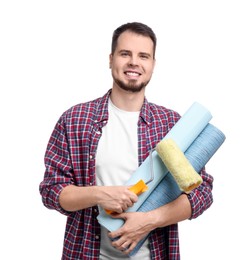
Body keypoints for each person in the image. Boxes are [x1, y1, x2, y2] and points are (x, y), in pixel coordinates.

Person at [39, 22, 214, 260]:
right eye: (125, 54)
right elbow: (51, 191)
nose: (134, 62)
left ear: (152, 64)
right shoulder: (75, 120)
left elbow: (201, 193)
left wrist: (150, 221)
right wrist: (99, 194)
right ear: (111, 59)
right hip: (86, 254)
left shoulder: (173, 125)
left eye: (143, 56)